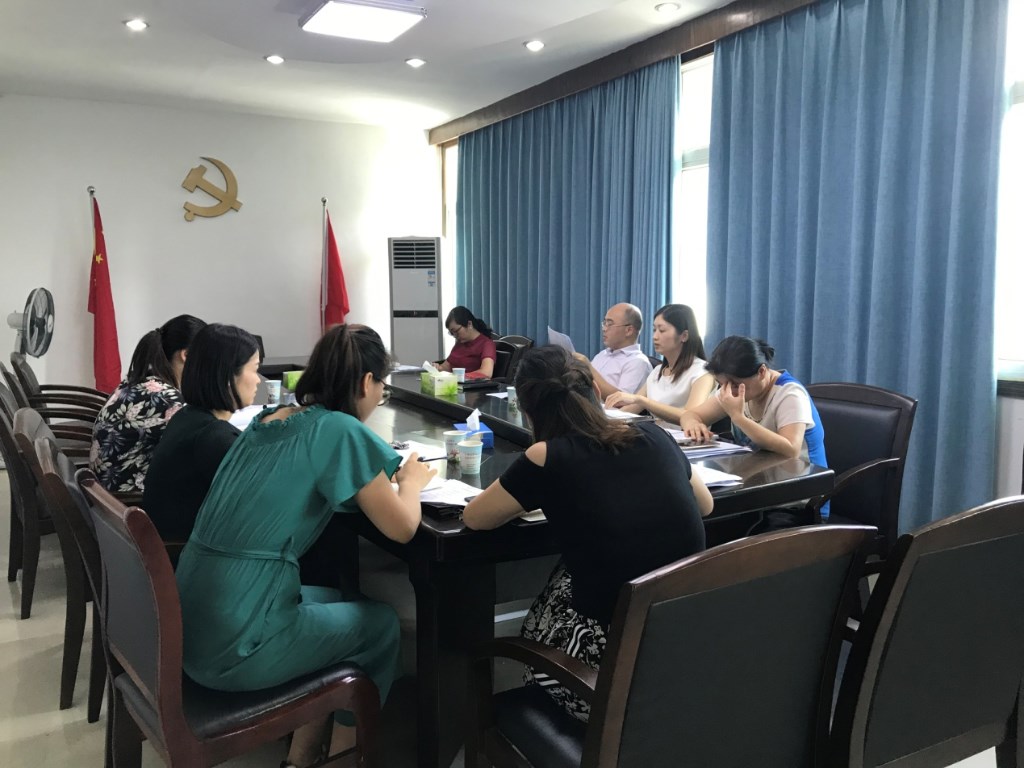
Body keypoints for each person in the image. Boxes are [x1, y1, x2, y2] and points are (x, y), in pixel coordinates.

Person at [175, 324, 435, 768]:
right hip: (239, 640)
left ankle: (301, 757)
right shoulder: (339, 430)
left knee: (341, 601)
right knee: (380, 626)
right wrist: (410, 482)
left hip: (192, 622)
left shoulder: (266, 420)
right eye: (382, 388)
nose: (380, 397)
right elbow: (403, 527)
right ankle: (344, 758)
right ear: (366, 383)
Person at [463, 346, 712, 722]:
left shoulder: (546, 456)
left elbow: (475, 517)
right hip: (686, 652)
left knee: (562, 583)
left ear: (528, 410)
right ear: (595, 392)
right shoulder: (656, 435)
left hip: (604, 683)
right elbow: (705, 505)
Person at [679, 335, 828, 521]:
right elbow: (690, 415)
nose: (728, 391)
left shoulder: (789, 394)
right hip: (758, 492)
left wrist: (738, 418)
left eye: (735, 384)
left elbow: (791, 449)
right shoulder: (734, 390)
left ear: (762, 372)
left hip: (799, 501)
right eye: (722, 384)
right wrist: (694, 424)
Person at [142, 324, 261, 543]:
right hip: (190, 553)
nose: (258, 379)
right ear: (228, 376)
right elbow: (261, 503)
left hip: (174, 543)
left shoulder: (187, 416)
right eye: (254, 369)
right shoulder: (213, 438)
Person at [90, 314, 206, 493]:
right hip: (127, 501)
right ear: (186, 355)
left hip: (105, 495)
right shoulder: (167, 400)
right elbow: (200, 451)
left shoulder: (140, 381)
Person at [604, 304, 715, 422]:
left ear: (684, 336)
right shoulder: (657, 372)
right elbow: (630, 410)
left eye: (662, 330)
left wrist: (643, 401)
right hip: (657, 433)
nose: (655, 337)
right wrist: (602, 418)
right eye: (654, 330)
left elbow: (692, 416)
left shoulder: (702, 372)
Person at [574, 302, 652, 398]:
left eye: (609, 324)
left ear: (629, 330)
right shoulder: (603, 354)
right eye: (604, 323)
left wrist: (588, 367)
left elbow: (622, 400)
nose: (604, 329)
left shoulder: (638, 362)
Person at [436, 306, 496, 377]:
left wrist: (459, 377)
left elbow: (486, 373)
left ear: (469, 324)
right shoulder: (460, 343)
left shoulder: (487, 344)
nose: (455, 336)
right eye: (452, 333)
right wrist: (437, 368)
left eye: (456, 331)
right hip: (454, 381)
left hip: (469, 383)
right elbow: (447, 366)